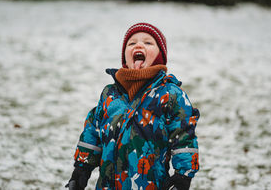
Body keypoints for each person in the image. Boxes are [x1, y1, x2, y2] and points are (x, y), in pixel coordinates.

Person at [66, 23, 200, 190]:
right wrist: (81, 168)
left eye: (148, 43)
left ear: (159, 56)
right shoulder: (110, 94)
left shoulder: (170, 94)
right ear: (125, 57)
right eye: (131, 43)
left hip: (149, 184)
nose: (139, 45)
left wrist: (183, 176)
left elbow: (184, 137)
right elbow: (92, 131)